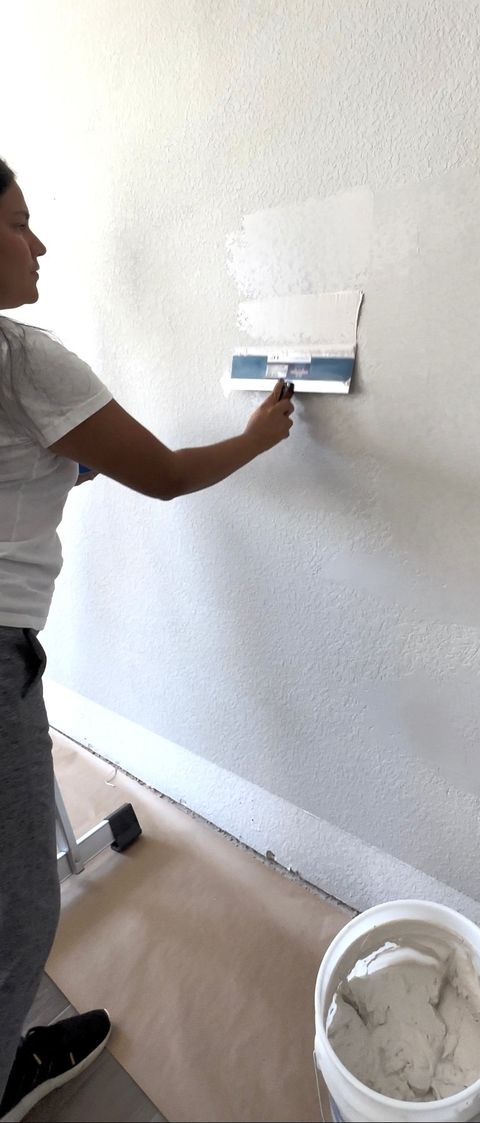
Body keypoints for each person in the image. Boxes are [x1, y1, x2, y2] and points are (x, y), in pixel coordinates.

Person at [0, 157, 295, 1122]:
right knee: (22, 920)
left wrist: (69, 465)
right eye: (18, 224)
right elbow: (164, 475)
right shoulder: (26, 359)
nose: (39, 243)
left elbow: (28, 463)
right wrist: (258, 436)